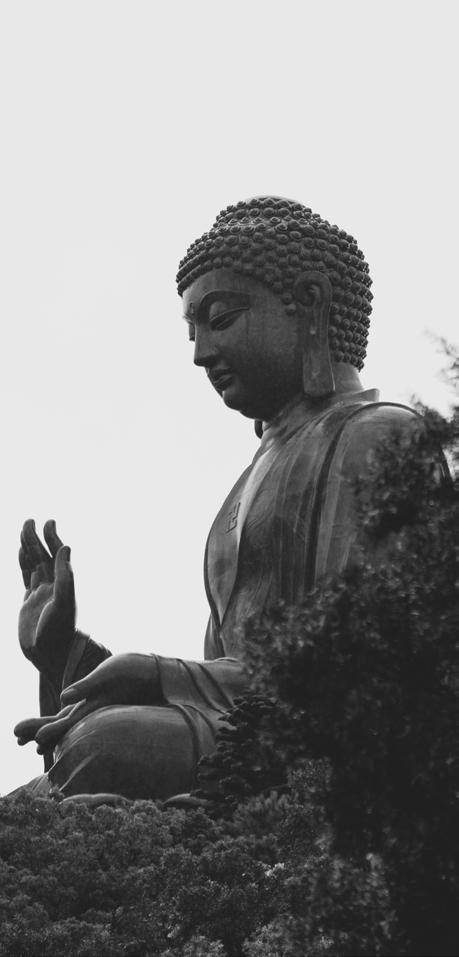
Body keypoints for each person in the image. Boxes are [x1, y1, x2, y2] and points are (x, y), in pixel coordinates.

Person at [13, 196, 426, 802]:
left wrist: (161, 675)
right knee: (37, 790)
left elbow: (365, 665)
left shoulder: (378, 435)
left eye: (221, 318)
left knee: (103, 745)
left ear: (310, 302)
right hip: (245, 733)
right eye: (193, 331)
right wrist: (64, 656)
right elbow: (223, 685)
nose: (201, 353)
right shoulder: (242, 489)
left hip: (325, 750)